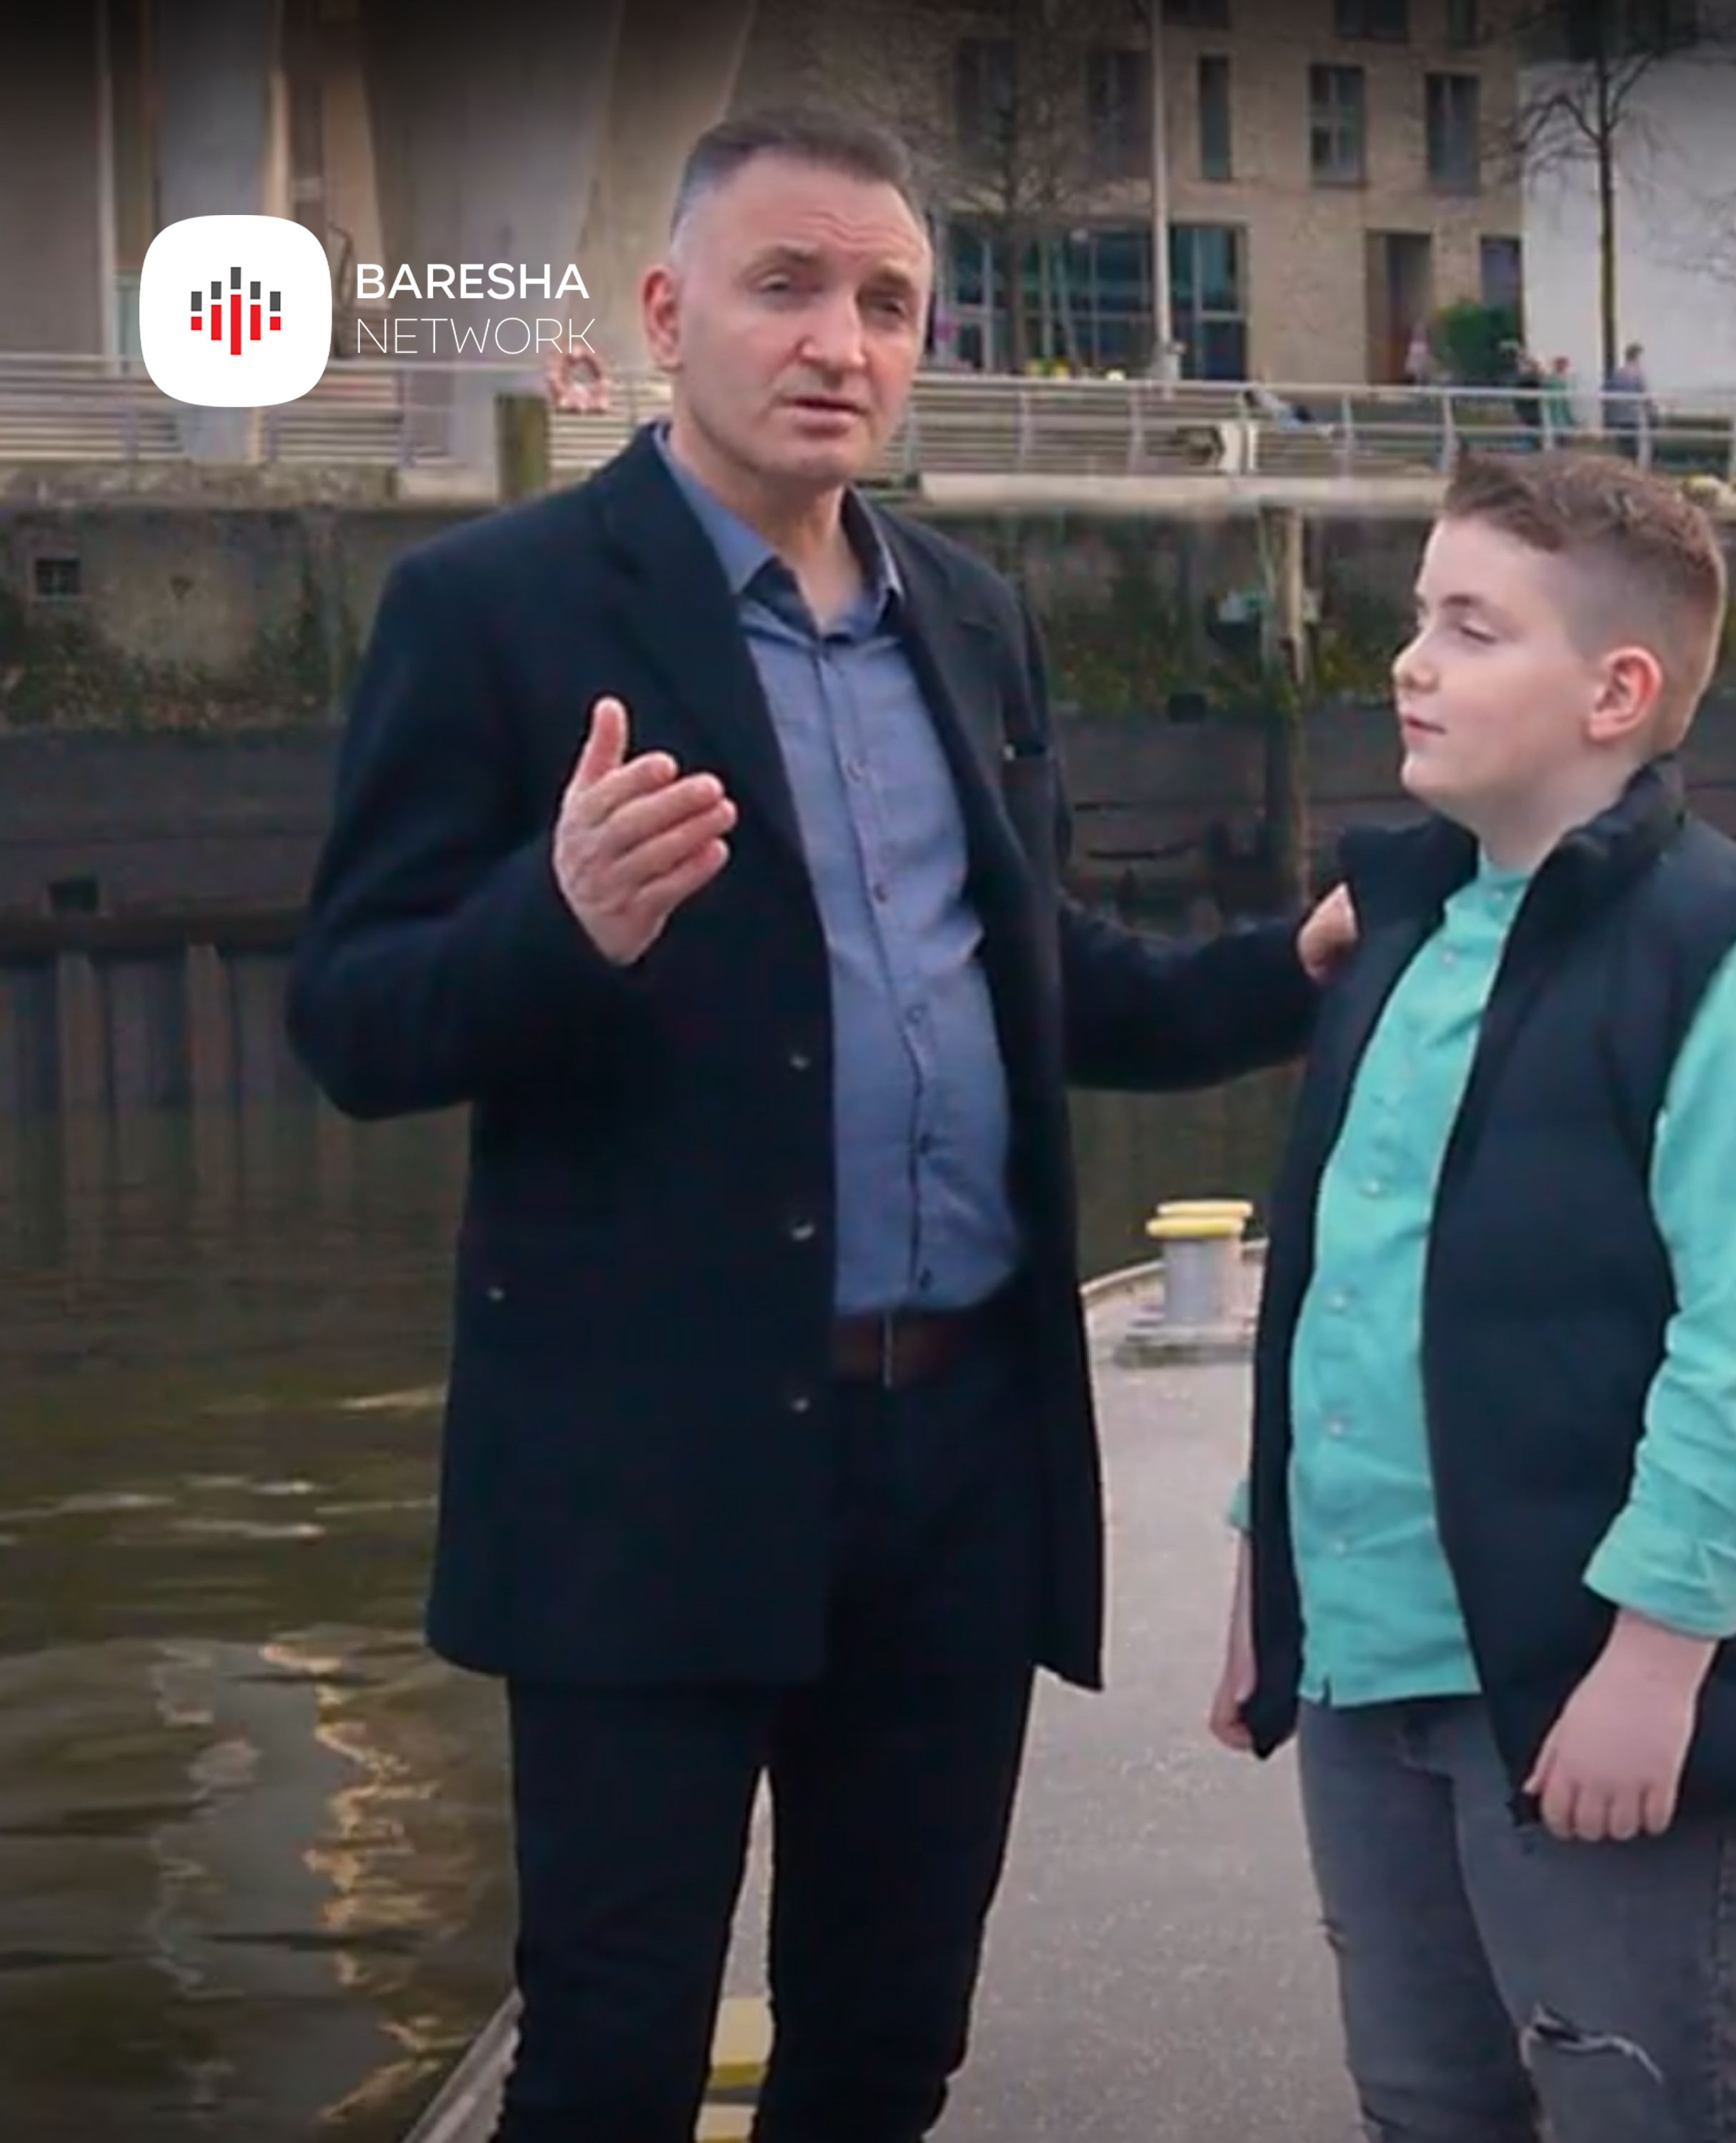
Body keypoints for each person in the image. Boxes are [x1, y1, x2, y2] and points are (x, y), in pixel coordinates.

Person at [287, 107, 1355, 2143]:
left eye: (886, 302)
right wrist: (557, 922)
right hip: (651, 1471)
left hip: (957, 1458)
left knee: (885, 2050)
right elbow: (352, 1021)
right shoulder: (490, 608)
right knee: (607, 2063)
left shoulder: (967, 611)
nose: (838, 342)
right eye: (785, 287)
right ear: (667, 309)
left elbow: (1030, 979)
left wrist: (1283, 971)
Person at [1208, 449, 1736, 2143]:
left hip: (1591, 1679)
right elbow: (1336, 1287)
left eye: (1470, 627)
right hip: (1371, 1664)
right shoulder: (1405, 935)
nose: (1407, 662)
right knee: (1424, 2100)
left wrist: (1655, 1661)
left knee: (1636, 2103)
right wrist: (1268, 1572)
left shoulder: (1730, 962)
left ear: (1615, 691)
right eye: (1417, 616)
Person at [1602, 340, 1653, 458]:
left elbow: (1607, 390)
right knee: (1634, 445)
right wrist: (1650, 408)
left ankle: (1625, 462)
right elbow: (1644, 392)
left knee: (1623, 444)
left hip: (1619, 414)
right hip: (1633, 414)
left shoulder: (1618, 373)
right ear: (1637, 357)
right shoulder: (1638, 373)